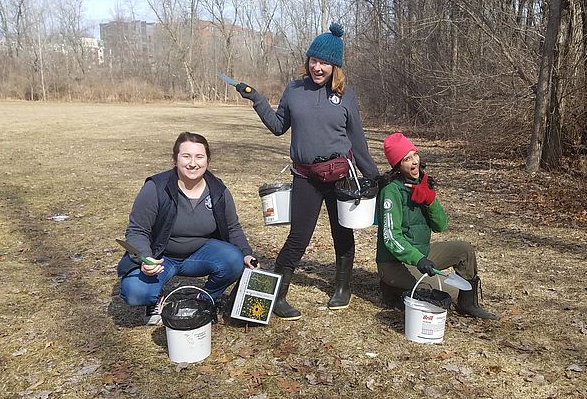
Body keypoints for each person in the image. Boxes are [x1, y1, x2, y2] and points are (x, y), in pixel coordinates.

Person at [234, 23, 378, 320]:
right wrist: (258, 100)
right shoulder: (294, 90)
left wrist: (374, 176)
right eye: (313, 60)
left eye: (324, 62)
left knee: (342, 233)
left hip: (341, 177)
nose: (317, 67)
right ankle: (278, 295)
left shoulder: (346, 95)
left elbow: (357, 139)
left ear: (335, 65)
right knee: (298, 236)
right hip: (305, 177)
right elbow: (277, 126)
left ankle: (342, 287)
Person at [117, 132, 258, 325]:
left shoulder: (218, 191)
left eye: (199, 157)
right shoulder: (156, 188)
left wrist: (247, 254)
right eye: (186, 156)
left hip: (199, 254)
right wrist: (145, 257)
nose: (193, 163)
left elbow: (233, 228)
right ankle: (154, 298)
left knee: (234, 260)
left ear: (208, 160)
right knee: (135, 292)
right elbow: (137, 230)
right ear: (175, 159)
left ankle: (204, 299)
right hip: (160, 256)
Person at [375, 132, 498, 319]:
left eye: (415, 154)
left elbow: (441, 225)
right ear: (398, 165)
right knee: (452, 293)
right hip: (394, 264)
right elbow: (391, 237)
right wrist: (418, 259)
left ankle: (469, 304)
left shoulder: (423, 184)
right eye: (407, 159)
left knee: (463, 250)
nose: (414, 161)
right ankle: (392, 288)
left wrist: (430, 200)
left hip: (421, 254)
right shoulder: (391, 191)